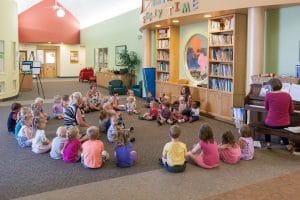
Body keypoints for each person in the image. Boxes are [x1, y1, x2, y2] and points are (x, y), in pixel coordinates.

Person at [264, 78, 294, 150]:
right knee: (282, 127)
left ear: (271, 86)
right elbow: (291, 111)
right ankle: (287, 144)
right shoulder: (287, 95)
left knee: (265, 123)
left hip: (271, 123)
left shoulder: (268, 95)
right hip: (285, 123)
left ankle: (268, 143)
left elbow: (267, 108)